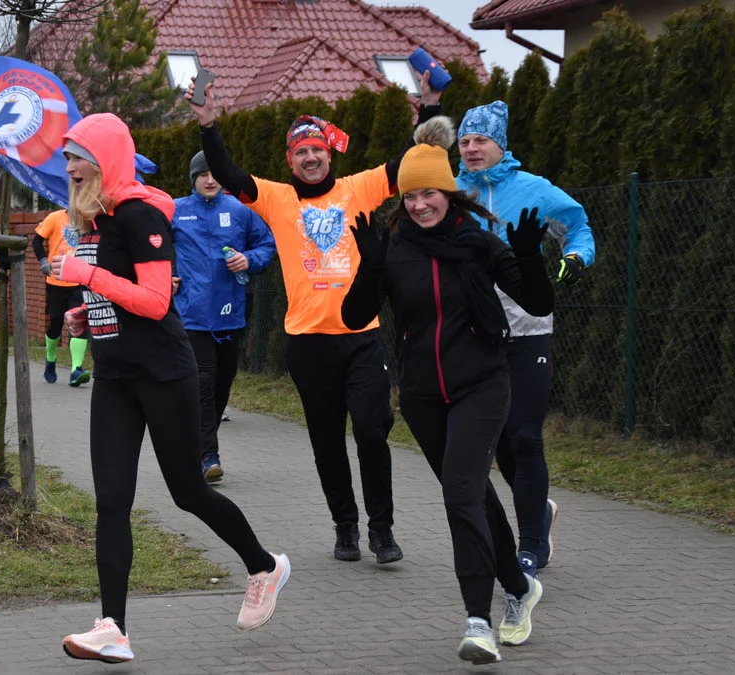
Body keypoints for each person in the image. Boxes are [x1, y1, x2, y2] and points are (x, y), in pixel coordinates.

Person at [49, 113, 290, 665]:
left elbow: (156, 302)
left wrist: (86, 279)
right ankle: (113, 627)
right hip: (114, 377)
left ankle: (264, 566)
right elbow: (121, 294)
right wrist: (89, 315)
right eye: (66, 157)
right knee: (111, 500)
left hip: (163, 373)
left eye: (76, 155)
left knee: (188, 492)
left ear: (105, 156)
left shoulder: (138, 216)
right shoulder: (97, 221)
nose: (68, 167)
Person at [184, 73, 446, 564]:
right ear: (291, 161)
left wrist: (430, 110)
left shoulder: (359, 189)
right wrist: (208, 124)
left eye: (317, 150)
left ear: (330, 153)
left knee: (371, 431)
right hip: (307, 343)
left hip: (361, 338)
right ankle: (345, 527)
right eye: (301, 153)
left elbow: (409, 163)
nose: (310, 158)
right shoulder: (277, 198)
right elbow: (229, 171)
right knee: (327, 441)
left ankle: (382, 530)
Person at [341, 116, 549, 664]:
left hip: (482, 384)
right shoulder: (393, 248)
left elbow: (538, 302)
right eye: (410, 196)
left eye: (429, 193)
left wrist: (528, 255)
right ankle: (520, 588)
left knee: (459, 494)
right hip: (423, 396)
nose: (419, 205)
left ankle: (477, 620)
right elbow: (354, 314)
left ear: (448, 191)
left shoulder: (477, 243)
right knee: (474, 494)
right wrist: (368, 268)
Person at [455, 100, 596, 575]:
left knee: (525, 436)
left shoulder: (534, 189)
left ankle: (532, 543)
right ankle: (539, 511)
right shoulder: (451, 194)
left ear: (501, 144)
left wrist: (575, 258)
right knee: (500, 444)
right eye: (466, 141)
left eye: (481, 140)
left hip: (527, 329)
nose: (472, 149)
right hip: (475, 333)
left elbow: (577, 226)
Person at [171, 150, 276, 483]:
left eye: (215, 173)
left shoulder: (241, 210)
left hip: (230, 314)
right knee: (204, 381)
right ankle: (207, 455)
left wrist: (249, 260)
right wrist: (167, 275)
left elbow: (267, 244)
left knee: (223, 381)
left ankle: (196, 444)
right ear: (193, 179)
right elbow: (153, 246)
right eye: (203, 174)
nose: (210, 179)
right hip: (192, 314)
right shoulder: (175, 210)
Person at [32, 208, 91, 386]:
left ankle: (76, 370)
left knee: (78, 321)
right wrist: (43, 261)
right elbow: (36, 241)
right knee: (56, 323)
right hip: (56, 280)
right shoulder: (55, 217)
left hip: (79, 281)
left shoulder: (89, 219)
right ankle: (50, 359)